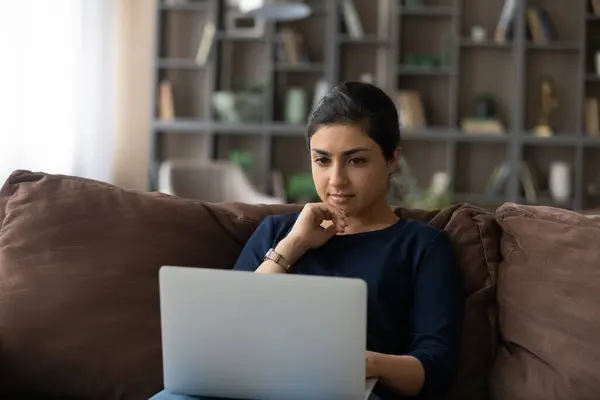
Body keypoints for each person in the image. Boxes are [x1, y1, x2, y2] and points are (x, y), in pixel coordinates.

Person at [151, 81, 464, 400]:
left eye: (356, 160)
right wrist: (293, 245)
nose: (336, 179)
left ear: (392, 159)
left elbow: (435, 369)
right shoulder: (278, 232)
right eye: (322, 160)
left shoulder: (423, 246)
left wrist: (364, 363)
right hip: (251, 390)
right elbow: (226, 331)